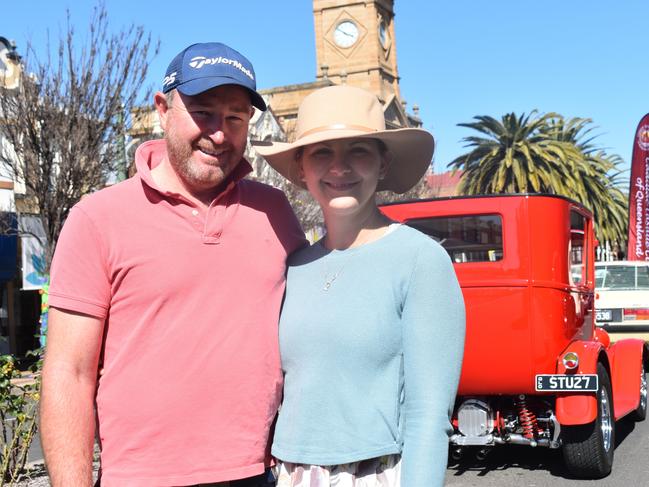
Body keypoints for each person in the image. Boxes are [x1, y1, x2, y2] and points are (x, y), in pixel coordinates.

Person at [40, 42, 306, 487]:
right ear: (162, 109)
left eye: (235, 118)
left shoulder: (275, 211)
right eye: (203, 112)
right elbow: (69, 371)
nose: (218, 133)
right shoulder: (97, 217)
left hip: (258, 474)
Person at [253, 85, 465, 486]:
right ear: (301, 167)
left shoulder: (420, 260)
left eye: (358, 150)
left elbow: (427, 416)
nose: (339, 167)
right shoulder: (294, 265)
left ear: (382, 163)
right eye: (322, 152)